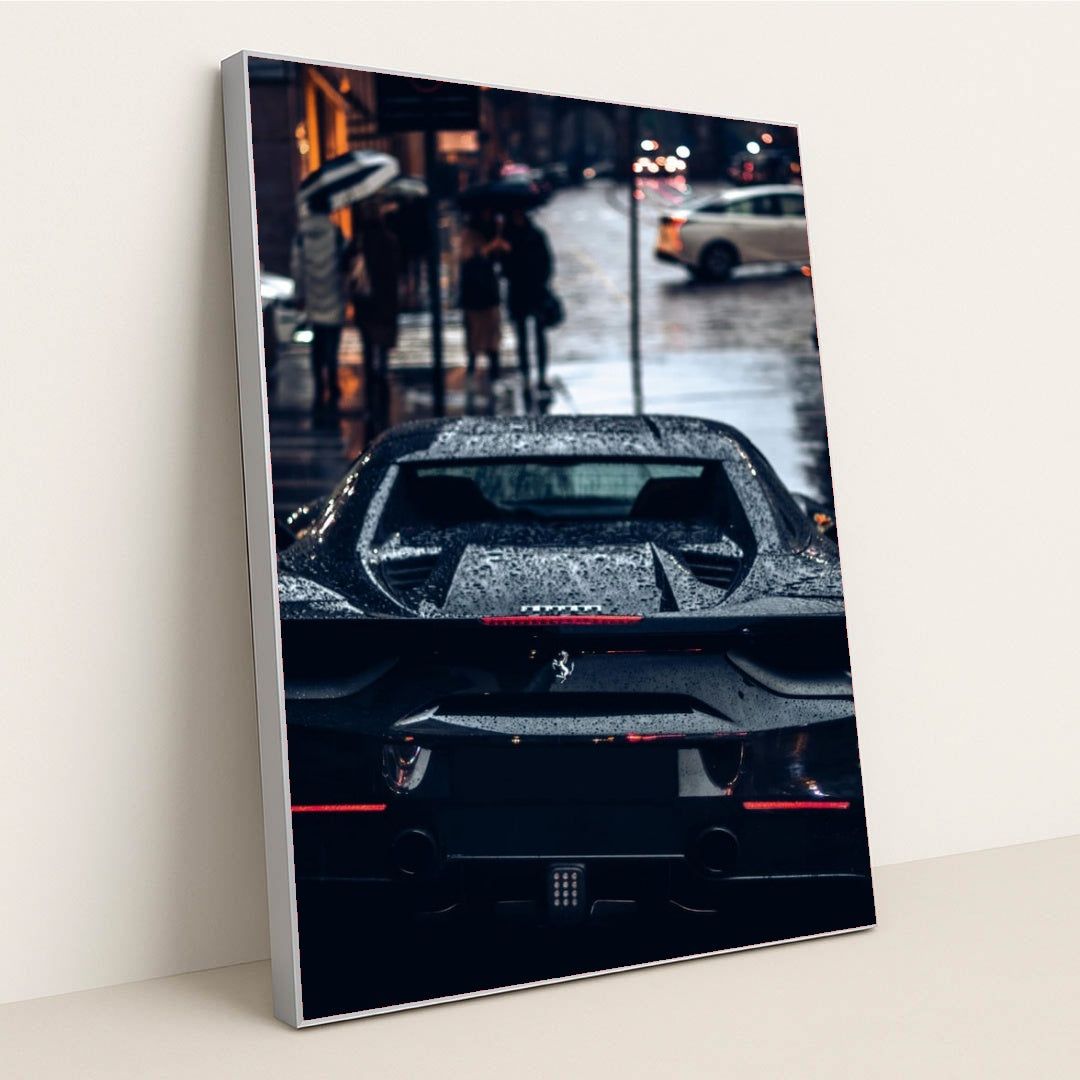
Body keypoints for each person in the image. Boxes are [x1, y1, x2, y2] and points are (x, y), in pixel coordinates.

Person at [290, 194, 348, 416]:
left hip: (313, 296)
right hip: (333, 293)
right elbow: (344, 262)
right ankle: (332, 384)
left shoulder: (302, 235)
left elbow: (297, 267)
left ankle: (319, 388)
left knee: (317, 347)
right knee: (332, 344)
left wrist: (300, 294)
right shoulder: (335, 233)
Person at [349, 203, 401, 436]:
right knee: (382, 353)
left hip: (367, 307)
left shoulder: (360, 243)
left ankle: (372, 396)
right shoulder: (389, 240)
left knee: (369, 350)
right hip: (385, 305)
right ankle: (382, 390)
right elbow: (397, 271)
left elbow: (346, 268)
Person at [500, 209, 553, 391]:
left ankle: (541, 375)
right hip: (518, 291)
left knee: (539, 336)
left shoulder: (536, 235)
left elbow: (547, 262)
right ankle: (525, 375)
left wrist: (541, 281)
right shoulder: (506, 237)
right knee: (521, 337)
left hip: (536, 291)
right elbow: (503, 267)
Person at [458, 209, 505, 380]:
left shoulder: (496, 230)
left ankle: (494, 368)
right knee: (474, 334)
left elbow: (500, 263)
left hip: (489, 292)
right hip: (474, 293)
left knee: (492, 334)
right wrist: (487, 249)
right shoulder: (470, 234)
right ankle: (472, 366)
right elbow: (468, 259)